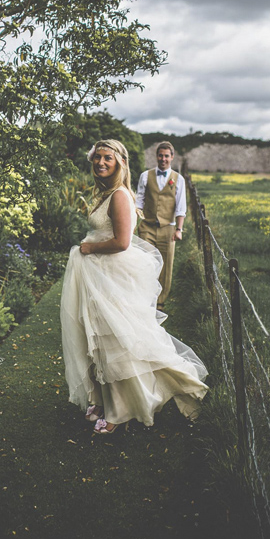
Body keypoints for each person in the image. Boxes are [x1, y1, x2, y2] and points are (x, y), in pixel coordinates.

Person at [60, 139, 208, 436]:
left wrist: (88, 250)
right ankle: (103, 400)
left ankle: (120, 410)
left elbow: (122, 242)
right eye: (97, 158)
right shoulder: (104, 193)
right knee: (98, 339)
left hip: (111, 273)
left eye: (108, 159)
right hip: (97, 274)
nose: (100, 163)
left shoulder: (119, 196)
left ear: (120, 163)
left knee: (116, 340)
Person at [135, 141, 185, 310]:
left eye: (166, 156)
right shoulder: (145, 176)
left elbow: (180, 207)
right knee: (147, 263)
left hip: (168, 229)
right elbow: (139, 200)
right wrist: (136, 221)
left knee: (165, 264)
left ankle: (160, 302)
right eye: (160, 155)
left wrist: (179, 229)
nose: (163, 159)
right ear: (156, 156)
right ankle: (145, 296)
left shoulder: (179, 179)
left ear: (172, 157)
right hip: (147, 227)